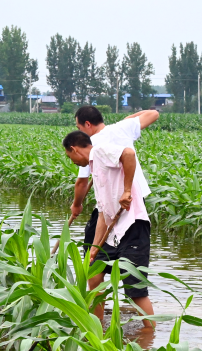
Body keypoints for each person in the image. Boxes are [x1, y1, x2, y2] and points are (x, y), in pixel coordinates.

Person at [62, 130, 155, 329]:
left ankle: (150, 335)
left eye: (71, 158)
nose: (74, 163)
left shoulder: (100, 152)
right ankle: (96, 329)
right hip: (113, 233)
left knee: (135, 289)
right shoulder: (95, 168)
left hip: (133, 226)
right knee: (94, 275)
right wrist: (95, 247)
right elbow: (104, 213)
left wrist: (127, 190)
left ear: (74, 149)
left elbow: (128, 154)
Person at [71, 106, 159, 255]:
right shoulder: (123, 127)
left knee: (95, 254)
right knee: (131, 253)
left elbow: (82, 182)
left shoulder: (89, 144)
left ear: (87, 124)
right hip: (134, 201)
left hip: (110, 204)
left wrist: (76, 205)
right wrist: (128, 120)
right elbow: (154, 114)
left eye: (79, 128)